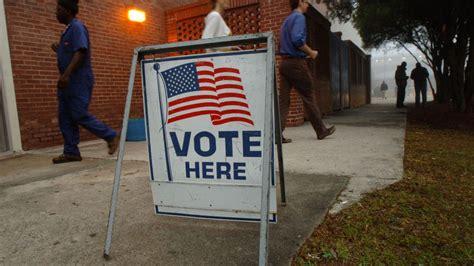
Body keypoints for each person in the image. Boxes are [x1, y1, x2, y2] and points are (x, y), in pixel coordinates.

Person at [51, 0, 118, 164]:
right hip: (67, 81)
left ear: (67, 10)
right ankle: (71, 152)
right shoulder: (67, 30)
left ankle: (110, 135)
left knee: (78, 113)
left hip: (77, 80)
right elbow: (70, 50)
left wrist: (66, 75)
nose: (56, 12)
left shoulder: (77, 27)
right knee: (65, 117)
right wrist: (59, 49)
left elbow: (81, 51)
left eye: (58, 9)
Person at [278, 0, 335, 143]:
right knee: (308, 95)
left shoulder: (286, 21)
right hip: (296, 63)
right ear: (300, 2)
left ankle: (276, 134)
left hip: (284, 63)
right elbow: (297, 40)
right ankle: (321, 130)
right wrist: (311, 52)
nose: (308, 5)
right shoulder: (299, 18)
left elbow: (280, 44)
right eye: (306, 2)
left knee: (283, 101)